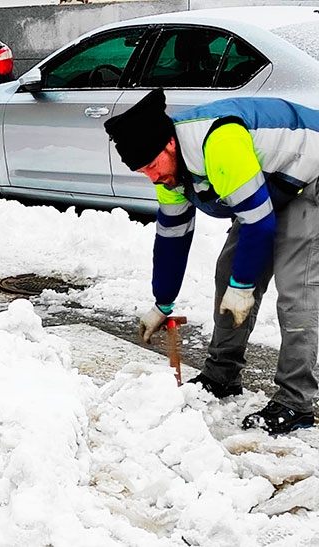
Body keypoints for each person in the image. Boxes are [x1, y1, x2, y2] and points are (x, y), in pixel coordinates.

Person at [104, 88, 319, 435]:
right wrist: (163, 302)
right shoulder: (167, 169)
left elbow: (259, 223)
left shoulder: (219, 141)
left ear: (170, 145)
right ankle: (222, 374)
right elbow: (173, 235)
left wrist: (244, 286)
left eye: (153, 165)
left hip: (311, 176)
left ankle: (295, 402)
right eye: (143, 171)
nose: (153, 177)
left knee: (297, 289)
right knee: (228, 271)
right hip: (274, 185)